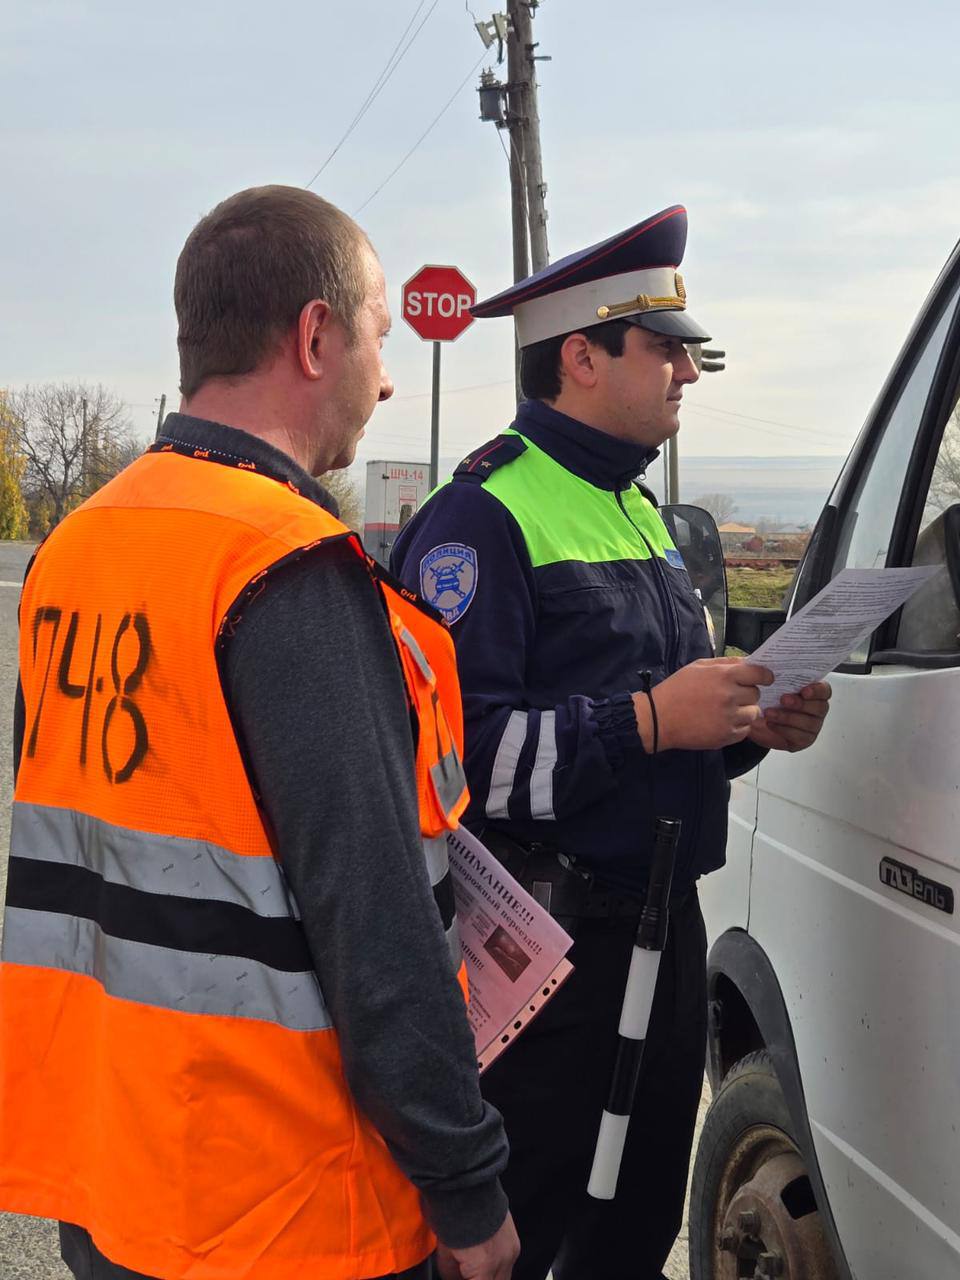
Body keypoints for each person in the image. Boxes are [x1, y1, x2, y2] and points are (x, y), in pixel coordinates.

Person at [0, 185, 519, 1280]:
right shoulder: (286, 567)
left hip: (116, 1183)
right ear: (316, 334)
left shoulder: (75, 551)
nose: (386, 377)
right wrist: (467, 1190)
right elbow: (377, 924)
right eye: (379, 336)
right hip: (283, 1211)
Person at [391, 205, 831, 1280]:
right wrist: (648, 719)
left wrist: (744, 726)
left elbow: (674, 724)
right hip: (546, 956)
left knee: (633, 1230)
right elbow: (452, 761)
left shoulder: (646, 514)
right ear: (579, 356)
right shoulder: (478, 518)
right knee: (521, 1233)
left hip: (664, 925)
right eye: (668, 349)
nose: (691, 372)